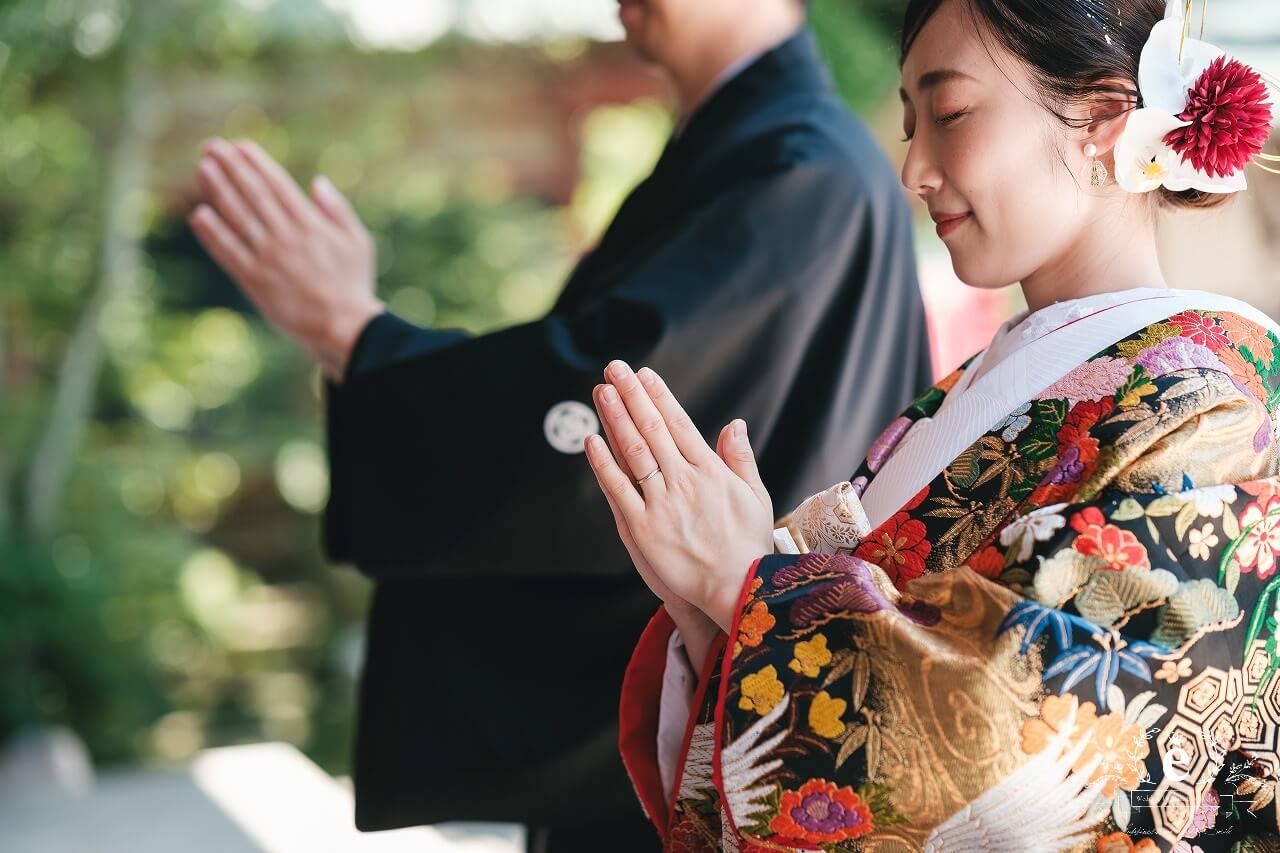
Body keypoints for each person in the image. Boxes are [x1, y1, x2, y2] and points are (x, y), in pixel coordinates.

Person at [186, 0, 931, 847]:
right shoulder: (765, 147)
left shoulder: (800, 168)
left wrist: (359, 336)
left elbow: (605, 403)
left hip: (724, 717)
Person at [588, 0, 1280, 848]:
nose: (914, 166)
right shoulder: (992, 384)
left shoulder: (1210, 404)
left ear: (1103, 119)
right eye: (913, 123)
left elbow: (1045, 731)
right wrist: (711, 608)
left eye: (949, 113)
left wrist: (749, 584)